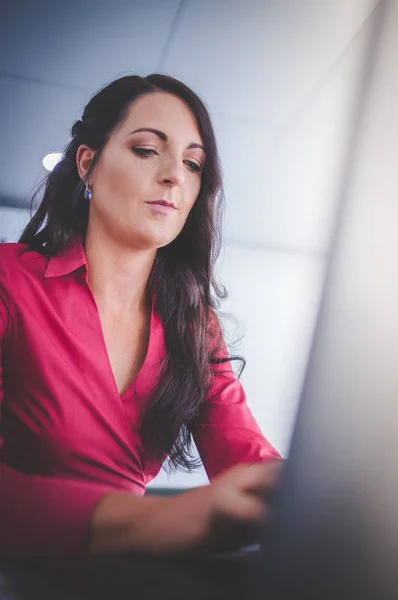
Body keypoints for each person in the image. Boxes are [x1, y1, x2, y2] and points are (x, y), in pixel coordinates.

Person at [0, 74, 281, 597]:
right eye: (149, 150)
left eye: (193, 164)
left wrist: (313, 493)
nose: (175, 175)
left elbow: (245, 452)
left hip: (119, 580)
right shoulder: (8, 280)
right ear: (87, 164)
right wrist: (144, 521)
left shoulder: (195, 328)